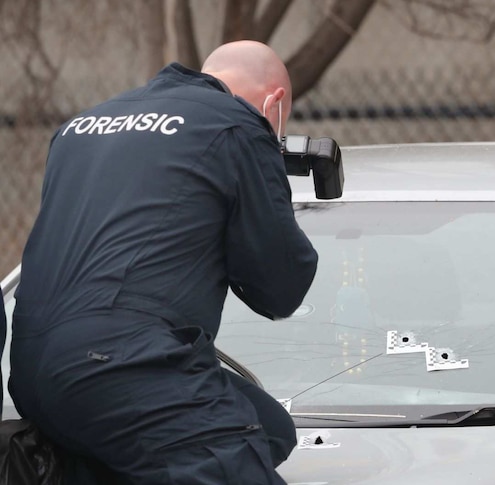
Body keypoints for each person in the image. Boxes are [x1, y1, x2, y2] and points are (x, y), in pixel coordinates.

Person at [8, 41, 318, 484]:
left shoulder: (79, 127)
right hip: (126, 363)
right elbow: (281, 286)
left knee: (269, 427)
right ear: (275, 104)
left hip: (33, 370)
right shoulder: (238, 126)